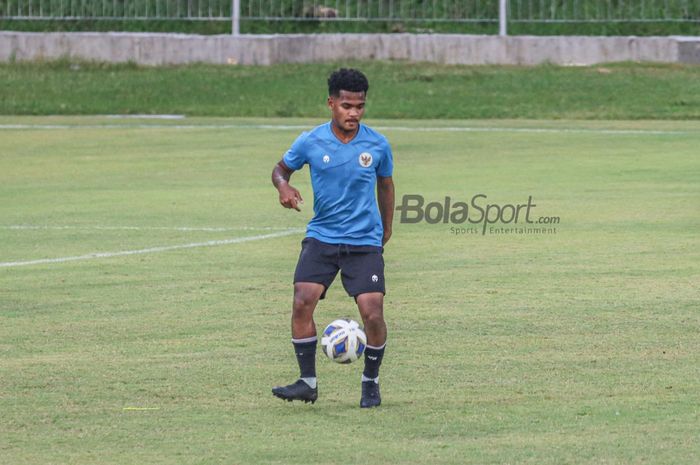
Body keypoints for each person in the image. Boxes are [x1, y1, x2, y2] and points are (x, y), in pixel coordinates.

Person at [270, 68, 395, 408]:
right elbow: (280, 169)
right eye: (346, 106)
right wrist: (284, 186)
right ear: (331, 104)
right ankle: (307, 382)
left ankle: (371, 382)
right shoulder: (310, 141)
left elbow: (386, 185)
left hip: (363, 241)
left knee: (372, 312)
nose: (353, 113)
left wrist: (386, 228)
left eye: (359, 106)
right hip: (322, 236)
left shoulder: (378, 144)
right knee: (301, 299)